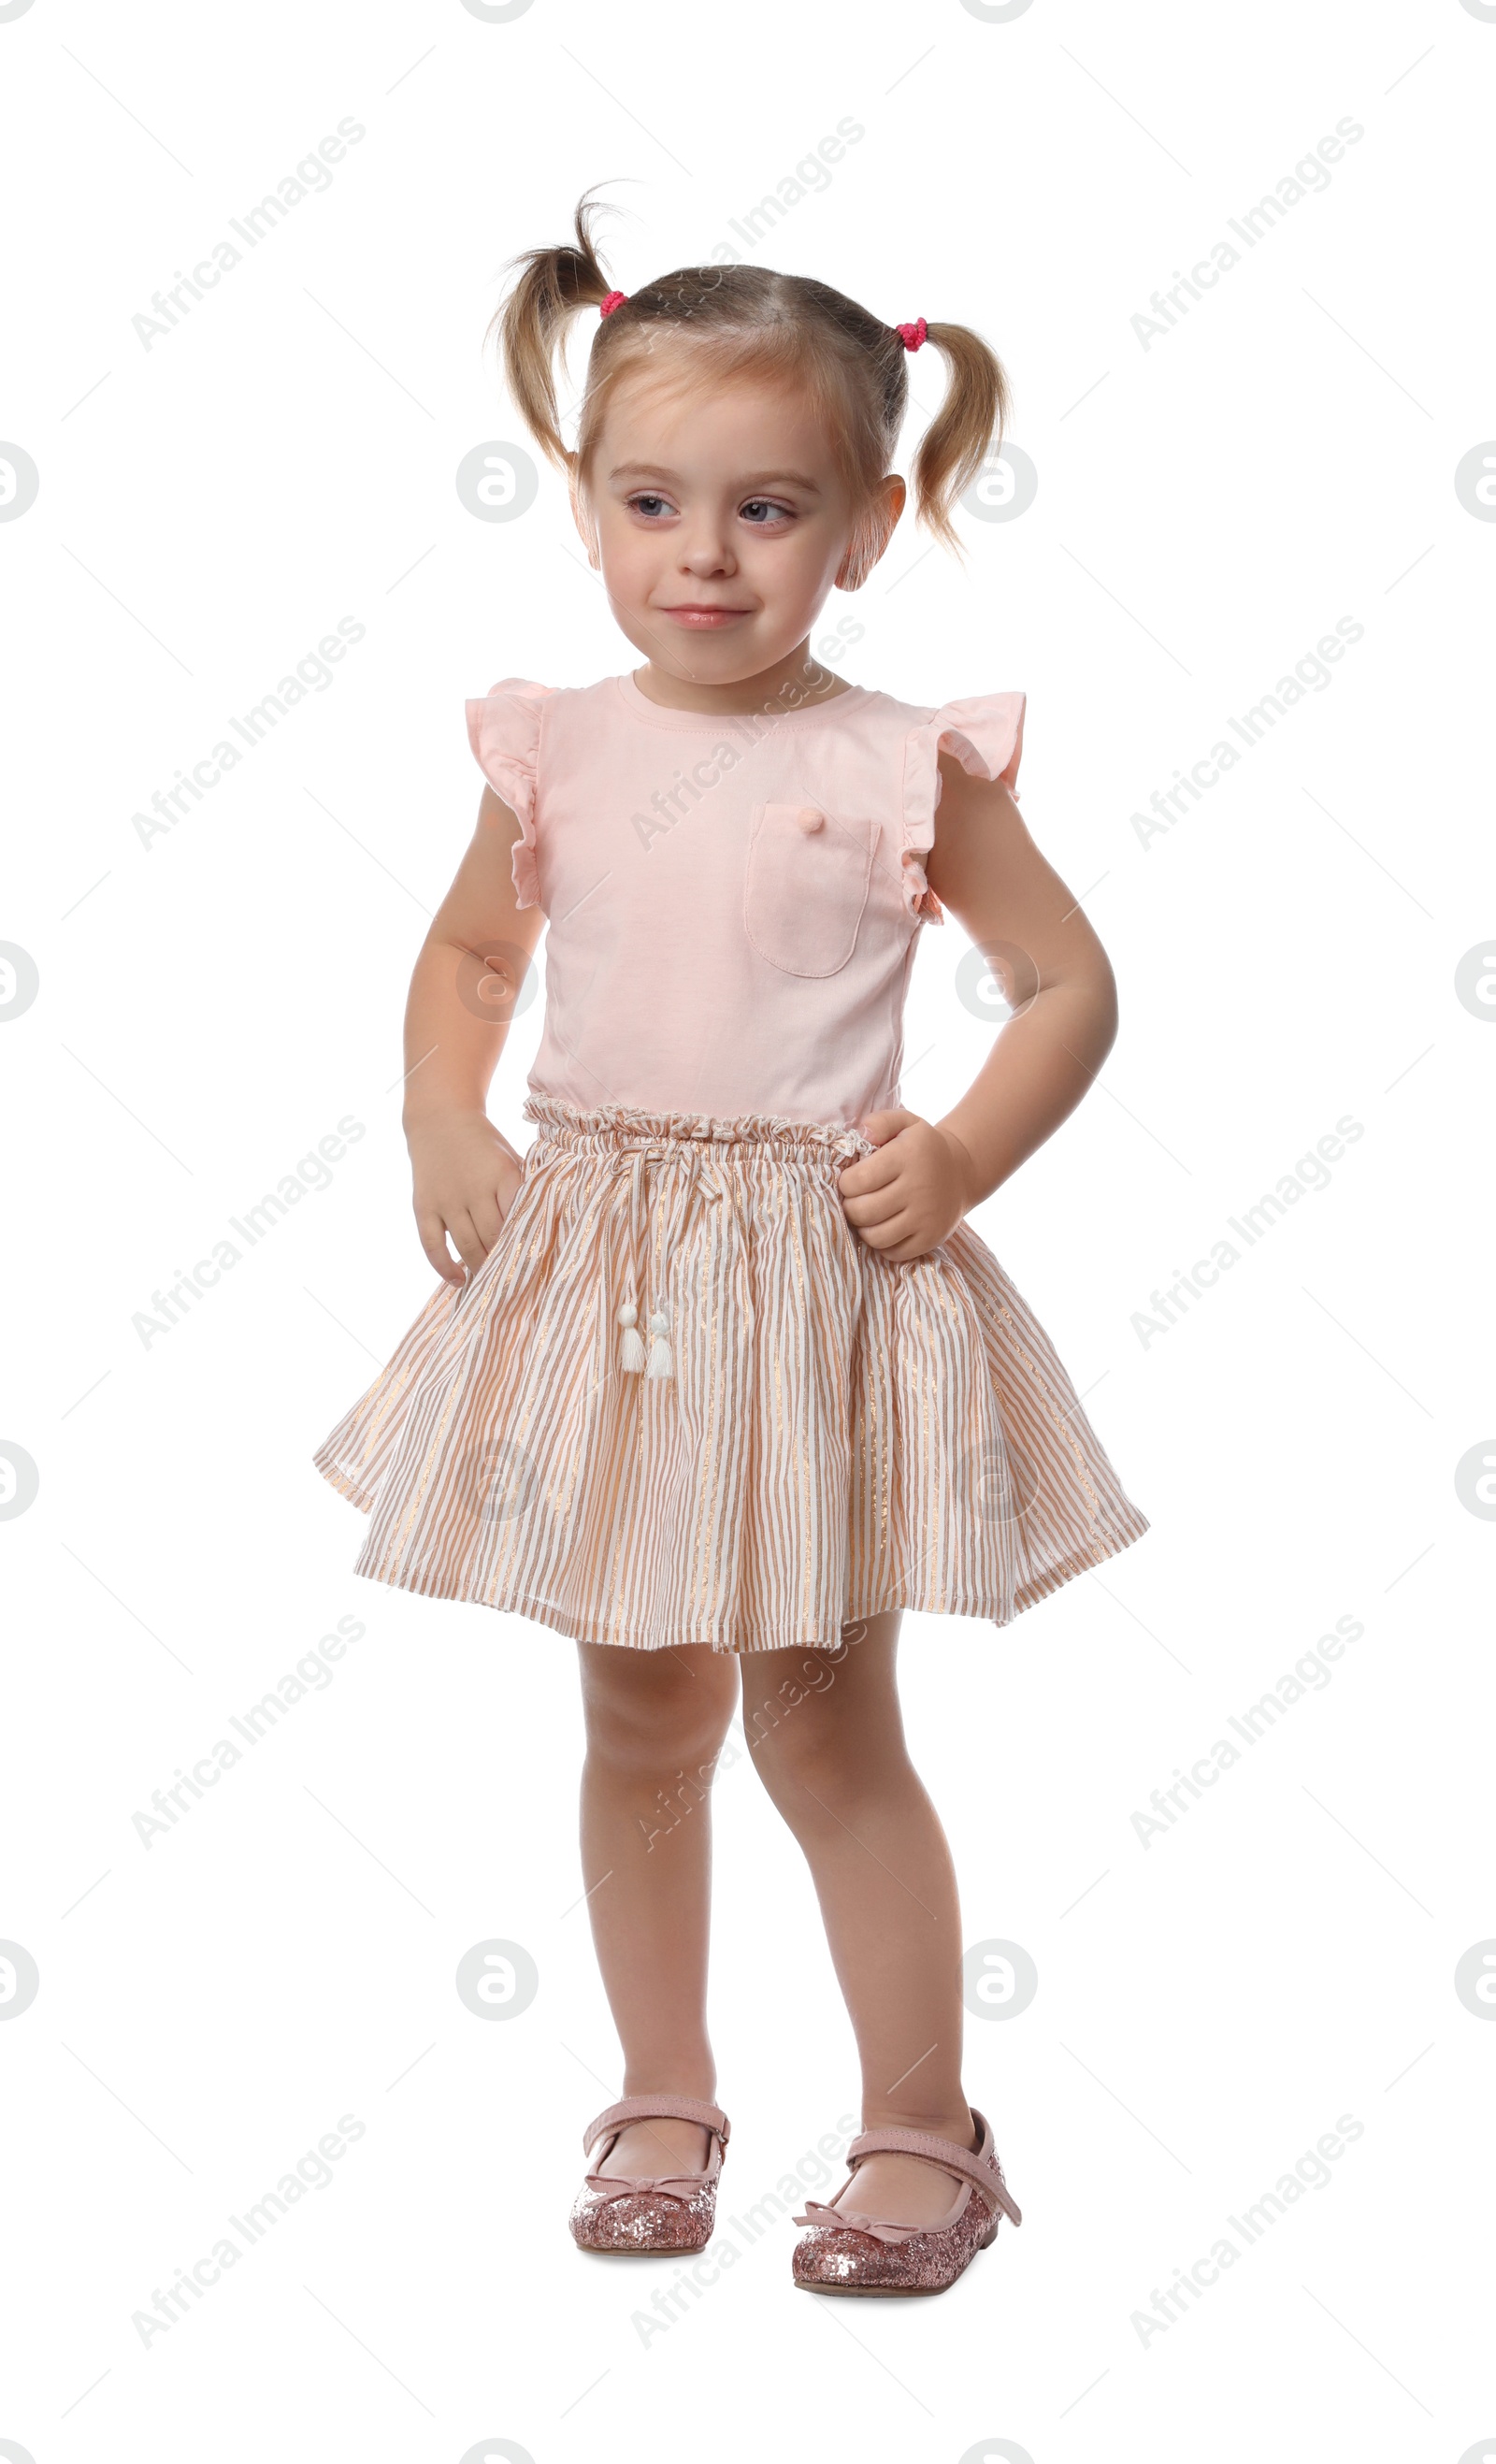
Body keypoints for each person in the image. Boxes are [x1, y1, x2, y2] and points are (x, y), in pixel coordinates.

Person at [313, 189, 1149, 2298]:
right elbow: (463, 952)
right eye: (651, 499)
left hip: (805, 1278)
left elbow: (1068, 988)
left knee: (819, 1715)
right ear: (585, 504)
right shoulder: (557, 747)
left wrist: (955, 1158)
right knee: (637, 1712)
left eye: (766, 507)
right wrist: (439, 1109)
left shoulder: (898, 763)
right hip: (599, 1270)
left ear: (864, 526)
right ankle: (662, 2087)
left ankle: (918, 2126)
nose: (703, 554)